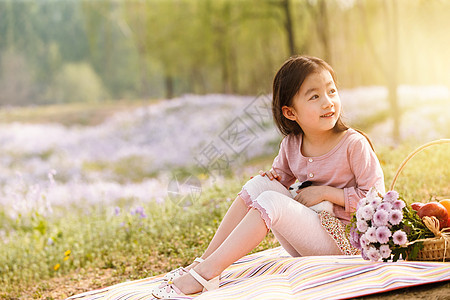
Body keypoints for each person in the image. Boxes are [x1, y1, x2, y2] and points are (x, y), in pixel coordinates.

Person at [151, 55, 385, 298]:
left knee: (271, 202)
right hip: (307, 239)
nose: (328, 102)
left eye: (331, 91)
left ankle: (207, 273)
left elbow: (376, 200)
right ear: (290, 112)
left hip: (344, 243)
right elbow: (279, 179)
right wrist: (271, 178)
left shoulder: (353, 144)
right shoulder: (292, 144)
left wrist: (325, 192)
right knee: (259, 185)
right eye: (315, 96)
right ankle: (203, 263)